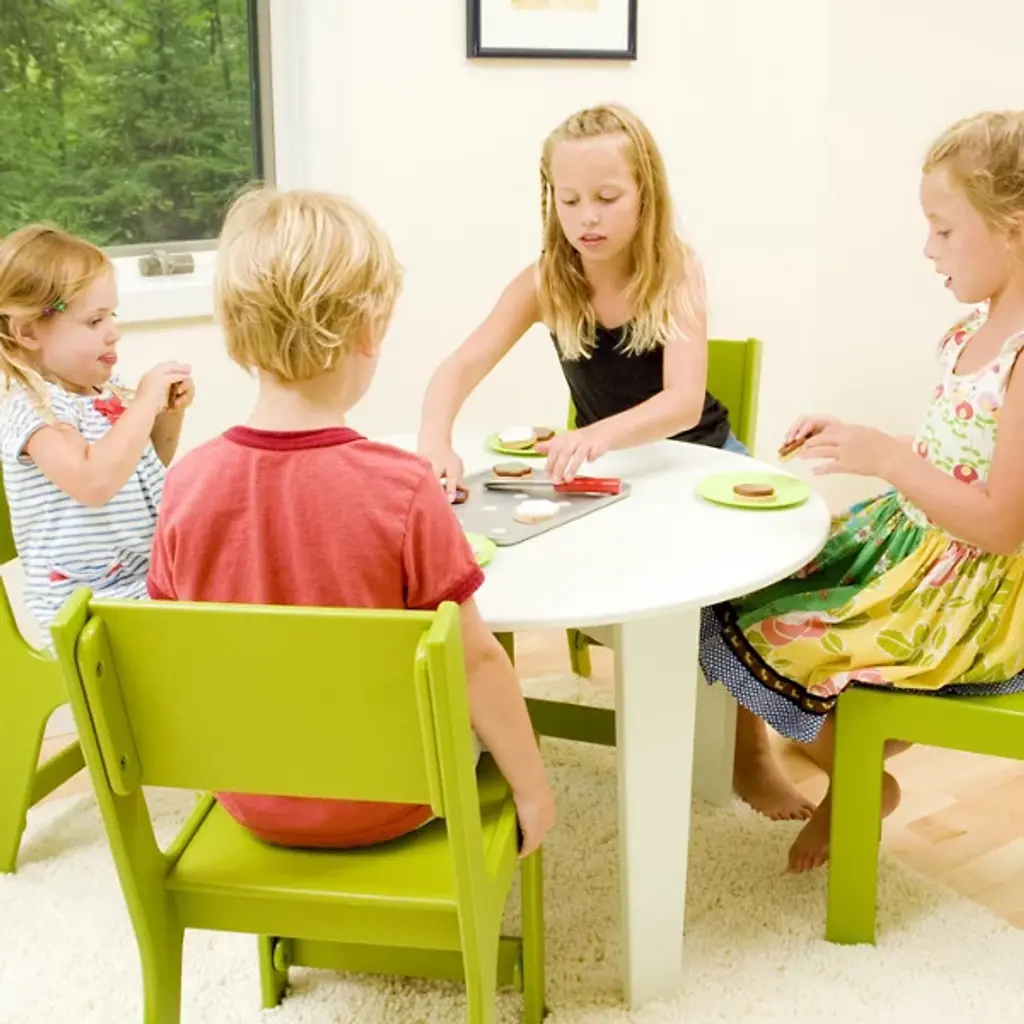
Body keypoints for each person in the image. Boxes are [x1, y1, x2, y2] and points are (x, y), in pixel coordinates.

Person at [147, 187, 556, 855]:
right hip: (396, 798)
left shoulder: (186, 484)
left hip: (249, 796)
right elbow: (477, 663)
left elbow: (178, 654)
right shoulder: (404, 488)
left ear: (237, 336)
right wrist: (533, 790)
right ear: (368, 332)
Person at [417, 102, 792, 818]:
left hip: (699, 462)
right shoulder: (545, 282)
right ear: (550, 199)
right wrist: (436, 438)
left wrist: (600, 435)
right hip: (614, 476)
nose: (587, 217)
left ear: (645, 193)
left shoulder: (676, 270)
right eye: (570, 200)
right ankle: (503, 725)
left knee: (732, 596)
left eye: (608, 197)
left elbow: (681, 403)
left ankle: (751, 753)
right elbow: (457, 367)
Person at [700, 109, 1024, 871]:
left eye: (943, 230)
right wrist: (865, 439)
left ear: (1012, 227)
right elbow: (958, 455)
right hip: (914, 544)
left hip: (966, 594)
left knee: (774, 637)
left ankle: (858, 779)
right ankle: (838, 756)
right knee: (735, 595)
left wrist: (886, 460)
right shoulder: (971, 332)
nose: (928, 248)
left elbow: (1003, 524)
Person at [0, 224, 193, 634]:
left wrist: (166, 414)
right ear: (28, 332)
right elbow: (92, 482)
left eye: (112, 315)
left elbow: (140, 464)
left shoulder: (102, 392)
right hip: (87, 607)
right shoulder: (32, 409)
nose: (113, 332)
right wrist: (143, 403)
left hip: (144, 582)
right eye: (94, 321)